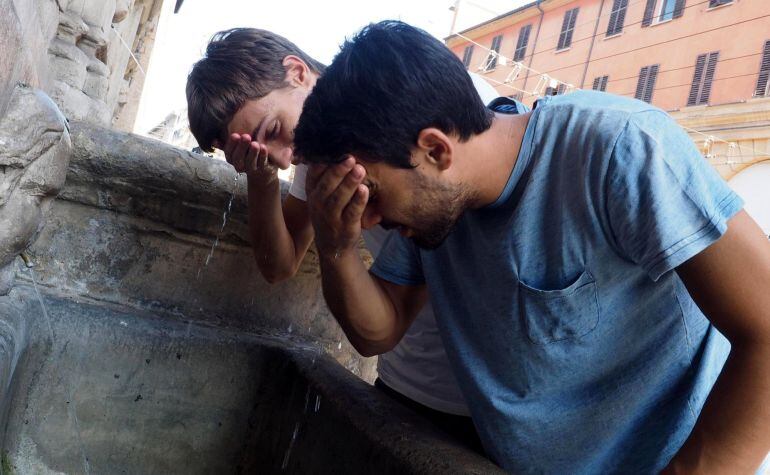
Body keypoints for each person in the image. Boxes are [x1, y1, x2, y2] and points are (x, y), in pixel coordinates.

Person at [292, 20, 770, 474]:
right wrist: (336, 247)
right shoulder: (437, 211)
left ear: (435, 150)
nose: (370, 219)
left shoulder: (619, 147)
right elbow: (379, 331)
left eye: (372, 194)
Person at [184, 28, 513, 453]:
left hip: (481, 400)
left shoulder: (414, 100)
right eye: (262, 150)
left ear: (298, 72)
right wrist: (262, 175)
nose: (287, 156)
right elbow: (280, 265)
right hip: (404, 381)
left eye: (275, 130)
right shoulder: (312, 151)